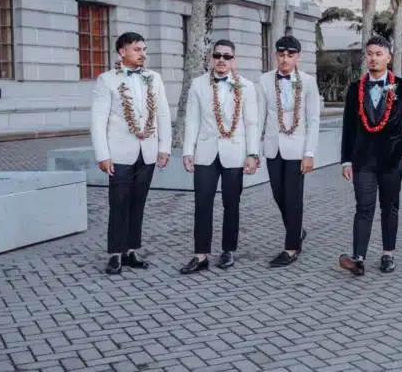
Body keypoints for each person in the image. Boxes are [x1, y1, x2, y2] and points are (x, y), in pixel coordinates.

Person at [90, 32, 172, 275]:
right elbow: (98, 120)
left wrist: (164, 148)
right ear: (122, 52)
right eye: (137, 49)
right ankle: (115, 253)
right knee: (118, 202)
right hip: (119, 154)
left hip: (147, 152)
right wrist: (102, 155)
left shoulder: (154, 78)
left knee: (138, 203)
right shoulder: (107, 80)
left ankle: (131, 250)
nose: (142, 54)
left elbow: (164, 114)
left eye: (144, 49)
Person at [338, 35, 402, 275]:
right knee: (363, 207)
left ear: (388, 57)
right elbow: (348, 127)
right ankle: (358, 258)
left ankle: (387, 254)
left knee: (389, 207)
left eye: (378, 54)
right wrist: (346, 160)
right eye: (370, 54)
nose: (373, 58)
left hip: (393, 160)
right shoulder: (356, 88)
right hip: (363, 160)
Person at [179, 40, 259, 274]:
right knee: (202, 204)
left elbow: (252, 123)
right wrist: (187, 151)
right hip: (205, 152)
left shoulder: (246, 86)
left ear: (234, 60)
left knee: (231, 204)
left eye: (226, 56)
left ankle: (228, 251)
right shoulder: (198, 84)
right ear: (211, 58)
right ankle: (201, 254)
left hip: (235, 151)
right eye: (217, 55)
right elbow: (191, 120)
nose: (221, 60)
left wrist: (252, 153)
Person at [257, 35, 321, 267]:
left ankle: (291, 248)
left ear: (298, 57)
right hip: (273, 149)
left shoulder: (308, 81)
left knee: (293, 198)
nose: (285, 59)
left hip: (297, 150)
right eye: (281, 54)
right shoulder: (264, 80)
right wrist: (254, 152)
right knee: (278, 195)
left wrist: (309, 153)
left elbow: (313, 120)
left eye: (290, 55)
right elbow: (259, 118)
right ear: (276, 55)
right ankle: (298, 230)